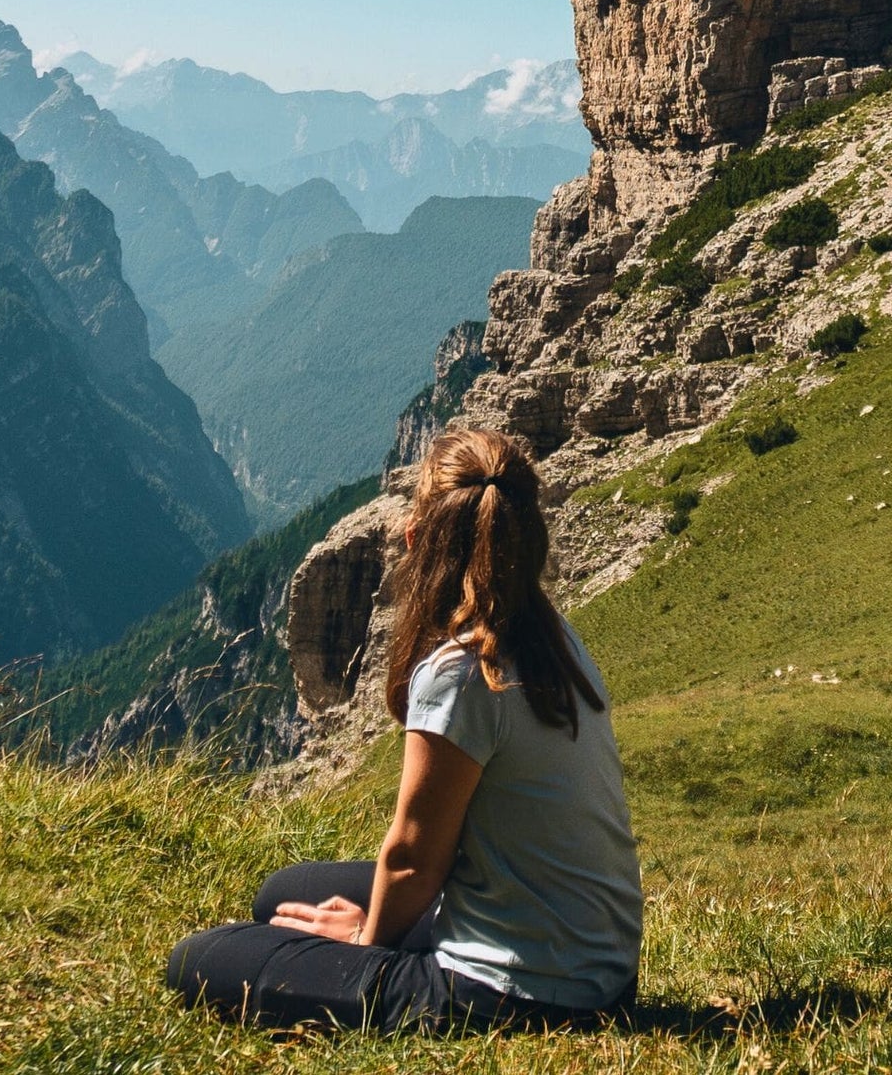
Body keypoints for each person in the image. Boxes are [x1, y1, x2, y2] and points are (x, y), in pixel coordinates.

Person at [167, 427, 642, 1035]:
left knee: (201, 958)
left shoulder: (465, 671)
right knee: (282, 893)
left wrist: (365, 940)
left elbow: (415, 858)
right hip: (595, 962)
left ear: (418, 541)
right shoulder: (552, 637)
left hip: (519, 991)